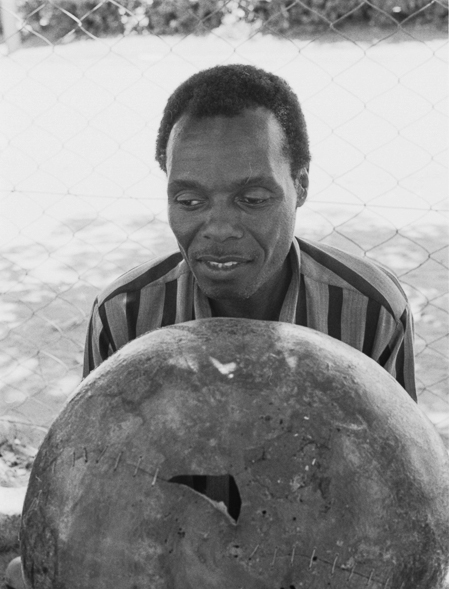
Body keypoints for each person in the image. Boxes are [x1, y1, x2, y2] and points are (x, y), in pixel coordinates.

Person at [83, 63, 416, 401]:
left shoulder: (370, 313)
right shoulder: (124, 316)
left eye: (253, 199)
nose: (220, 230)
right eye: (189, 200)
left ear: (300, 186)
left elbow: (400, 450)